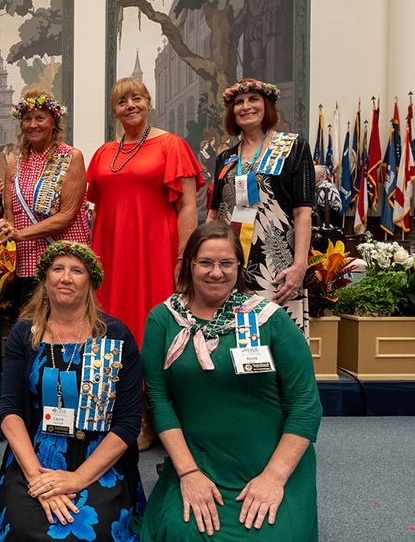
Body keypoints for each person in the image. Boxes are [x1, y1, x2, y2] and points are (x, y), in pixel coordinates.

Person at [137, 223, 322, 540]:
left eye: (226, 263)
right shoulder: (163, 320)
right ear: (190, 264)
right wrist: (188, 472)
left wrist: (274, 478)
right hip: (199, 461)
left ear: (239, 266)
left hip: (271, 462)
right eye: (206, 263)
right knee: (180, 533)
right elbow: (158, 400)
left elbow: (305, 407)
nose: (216, 273)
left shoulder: (270, 320)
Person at [0, 241, 145, 541]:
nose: (66, 278)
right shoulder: (24, 335)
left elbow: (129, 422)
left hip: (98, 457)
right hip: (36, 455)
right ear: (45, 279)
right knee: (26, 526)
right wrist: (38, 478)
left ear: (90, 282)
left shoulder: (115, 336)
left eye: (76, 271)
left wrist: (77, 479)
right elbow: (10, 412)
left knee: (94, 530)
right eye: (58, 269)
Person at [87, 77, 204, 347]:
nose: (130, 105)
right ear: (113, 111)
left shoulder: (171, 145)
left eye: (137, 98)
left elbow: (187, 206)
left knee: (155, 315)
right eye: (121, 101)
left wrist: (183, 257)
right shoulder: (104, 152)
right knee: (109, 314)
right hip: (111, 250)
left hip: (155, 248)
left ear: (148, 102)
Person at [208, 78, 315, 334]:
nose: (246, 106)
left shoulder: (293, 147)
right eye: (239, 102)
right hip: (230, 263)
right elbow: (214, 213)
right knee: (231, 338)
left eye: (253, 99)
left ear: (267, 105)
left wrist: (299, 266)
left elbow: (303, 212)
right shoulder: (226, 157)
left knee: (278, 339)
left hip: (276, 263)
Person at [0, 90, 91, 307]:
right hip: (26, 266)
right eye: (27, 119)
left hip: (64, 265)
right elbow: (10, 217)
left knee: (65, 330)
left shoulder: (71, 157)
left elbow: (66, 215)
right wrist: (4, 225)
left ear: (53, 122)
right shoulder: (14, 164)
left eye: (40, 118)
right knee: (29, 332)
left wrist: (20, 234)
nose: (33, 124)